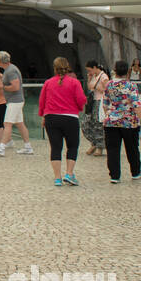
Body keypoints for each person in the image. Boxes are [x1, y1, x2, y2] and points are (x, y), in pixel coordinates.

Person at [38, 57, 87, 186]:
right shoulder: (74, 82)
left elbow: (42, 101)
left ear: (55, 68)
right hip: (70, 117)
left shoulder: (48, 83)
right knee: (72, 146)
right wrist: (79, 108)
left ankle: (57, 177)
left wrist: (43, 115)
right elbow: (81, 99)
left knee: (55, 147)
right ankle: (69, 174)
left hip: (51, 118)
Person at [102, 60, 141, 183]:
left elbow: (105, 103)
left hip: (111, 120)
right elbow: (137, 105)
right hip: (129, 121)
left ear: (115, 70)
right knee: (132, 148)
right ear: (127, 71)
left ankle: (114, 175)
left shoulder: (109, 85)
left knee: (112, 149)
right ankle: (135, 172)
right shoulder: (131, 86)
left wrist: (109, 113)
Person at [0, 51, 33, 156]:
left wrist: (2, 87)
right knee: (20, 124)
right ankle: (28, 147)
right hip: (16, 101)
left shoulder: (11, 71)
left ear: (0, 61)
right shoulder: (10, 69)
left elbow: (15, 87)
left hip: (14, 101)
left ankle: (1, 147)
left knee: (7, 124)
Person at [80, 61, 109, 156]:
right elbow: (90, 88)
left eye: (90, 70)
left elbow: (107, 90)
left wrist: (97, 88)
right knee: (88, 123)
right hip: (93, 102)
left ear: (95, 67)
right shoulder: (93, 76)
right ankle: (94, 142)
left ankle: (99, 146)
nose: (89, 72)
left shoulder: (103, 77)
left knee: (98, 124)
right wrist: (89, 79)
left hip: (100, 102)